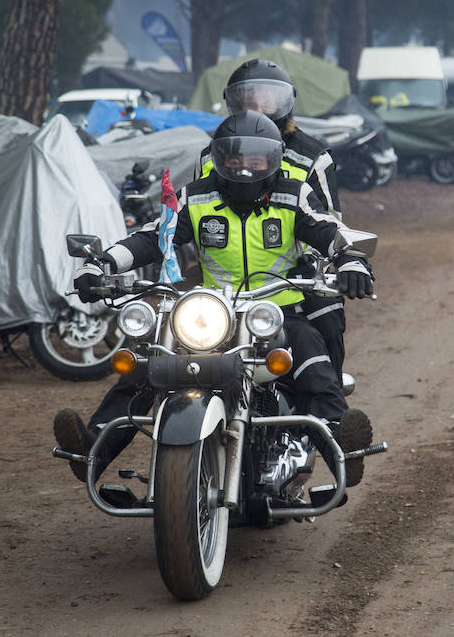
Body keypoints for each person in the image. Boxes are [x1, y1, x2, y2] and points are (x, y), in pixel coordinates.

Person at [54, 110, 374, 490]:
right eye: (234, 158)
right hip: (213, 313)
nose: (244, 168)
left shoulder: (294, 194)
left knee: (314, 362)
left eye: (255, 159)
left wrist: (352, 260)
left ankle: (343, 451)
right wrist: (103, 263)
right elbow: (153, 238)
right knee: (148, 361)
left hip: (278, 311)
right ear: (218, 158)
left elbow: (329, 230)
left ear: (273, 159)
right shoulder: (196, 196)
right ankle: (93, 449)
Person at [195, 59, 348, 385]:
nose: (258, 106)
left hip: (296, 278)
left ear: (286, 102)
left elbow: (331, 220)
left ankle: (328, 413)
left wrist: (312, 263)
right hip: (227, 283)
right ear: (233, 102)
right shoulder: (213, 153)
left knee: (327, 322)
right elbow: (198, 211)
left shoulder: (313, 155)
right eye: (248, 98)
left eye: (268, 99)